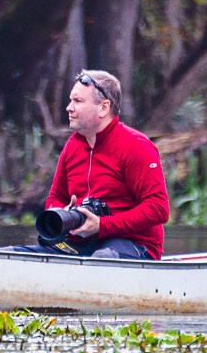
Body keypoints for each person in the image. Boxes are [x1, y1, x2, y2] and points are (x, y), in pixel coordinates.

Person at [22, 69, 170, 259]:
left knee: (101, 259)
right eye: (71, 100)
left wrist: (102, 225)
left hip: (133, 245)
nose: (69, 107)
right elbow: (55, 197)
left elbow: (158, 209)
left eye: (78, 101)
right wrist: (64, 212)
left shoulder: (137, 146)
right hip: (80, 245)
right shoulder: (72, 146)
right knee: (6, 255)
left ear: (103, 108)